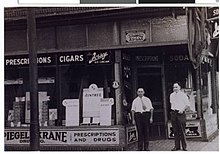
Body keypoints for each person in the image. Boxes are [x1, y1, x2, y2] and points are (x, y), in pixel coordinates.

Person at [170, 82, 190, 151]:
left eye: (176, 87)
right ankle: (177, 146)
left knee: (182, 130)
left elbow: (187, 104)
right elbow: (172, 103)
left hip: (180, 113)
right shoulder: (171, 95)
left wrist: (182, 109)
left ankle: (184, 146)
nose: (175, 88)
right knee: (175, 130)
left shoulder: (183, 95)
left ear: (179, 87)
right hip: (174, 113)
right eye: (174, 87)